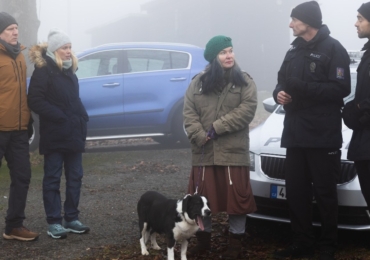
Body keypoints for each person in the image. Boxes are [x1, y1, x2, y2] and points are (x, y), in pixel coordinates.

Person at [272, 1, 351, 259]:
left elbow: (341, 89)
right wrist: (279, 94)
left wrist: (301, 87)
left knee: (325, 193)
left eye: (294, 19)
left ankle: (328, 246)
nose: (290, 24)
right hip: (294, 134)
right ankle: (302, 242)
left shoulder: (333, 49)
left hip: (322, 136)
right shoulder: (293, 51)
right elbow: (282, 82)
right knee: (296, 192)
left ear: (308, 21)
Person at [183, 35, 257, 259]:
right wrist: (198, 134)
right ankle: (204, 242)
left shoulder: (244, 81)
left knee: (237, 200)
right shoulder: (198, 83)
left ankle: (235, 244)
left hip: (233, 153)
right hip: (204, 153)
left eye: (231, 51)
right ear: (214, 57)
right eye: (224, 52)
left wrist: (217, 127)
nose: (229, 55)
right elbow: (188, 112)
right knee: (202, 199)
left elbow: (247, 109)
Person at [28, 29, 90, 239]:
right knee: (53, 178)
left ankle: (71, 218)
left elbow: (75, 100)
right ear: (55, 50)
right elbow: (35, 100)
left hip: (73, 133)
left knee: (75, 177)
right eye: (64, 47)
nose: (68, 51)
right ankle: (54, 222)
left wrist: (83, 116)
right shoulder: (43, 70)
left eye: (70, 47)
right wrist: (60, 116)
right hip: (55, 134)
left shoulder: (70, 71)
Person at [0, 12, 39, 242]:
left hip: (18, 130)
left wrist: (27, 118)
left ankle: (13, 226)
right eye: (9, 29)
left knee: (22, 177)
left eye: (16, 28)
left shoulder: (21, 56)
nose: (15, 32)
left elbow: (21, 92)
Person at [346, 3, 370, 220]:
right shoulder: (367, 54)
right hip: (363, 142)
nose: (356, 23)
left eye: (361, 18)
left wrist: (360, 111)